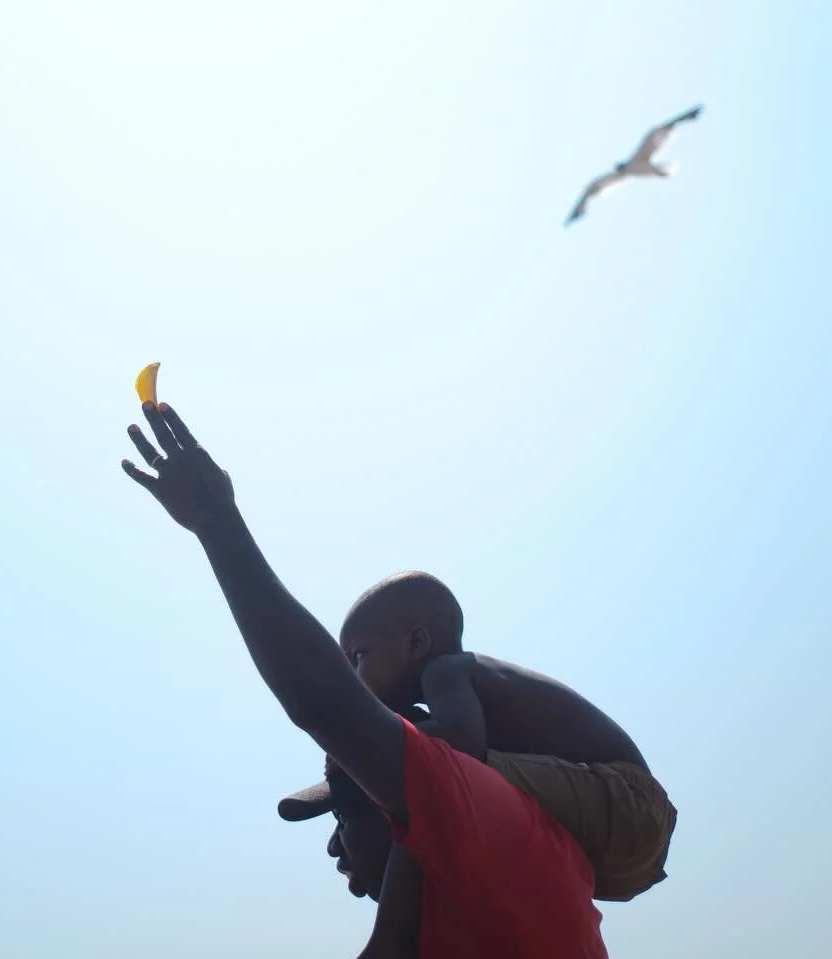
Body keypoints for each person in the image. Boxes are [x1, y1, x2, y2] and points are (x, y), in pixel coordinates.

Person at [120, 401, 608, 958]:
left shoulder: (480, 816)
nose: (333, 848)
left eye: (348, 813)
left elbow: (326, 703)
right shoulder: (447, 906)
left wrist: (216, 523)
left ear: (392, 795)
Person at [275, 571, 677, 953]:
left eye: (359, 658)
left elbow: (458, 747)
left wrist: (356, 745)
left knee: (442, 780)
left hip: (626, 797)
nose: (356, 678)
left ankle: (391, 934)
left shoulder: (447, 673)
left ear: (416, 643)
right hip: (617, 847)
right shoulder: (459, 693)